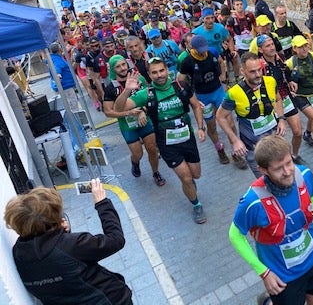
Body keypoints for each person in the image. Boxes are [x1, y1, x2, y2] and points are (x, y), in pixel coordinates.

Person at [229, 135, 313, 305]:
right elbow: (235, 235)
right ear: (263, 170)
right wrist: (263, 272)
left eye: (289, 163)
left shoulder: (304, 175)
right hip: (282, 276)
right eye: (279, 168)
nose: (287, 172)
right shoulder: (252, 202)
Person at [4, 179, 133, 305]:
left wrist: (58, 234)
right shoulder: (71, 245)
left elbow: (60, 265)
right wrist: (102, 203)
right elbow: (116, 240)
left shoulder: (19, 253)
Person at [114, 58, 209, 224]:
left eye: (161, 70)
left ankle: (190, 185)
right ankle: (196, 204)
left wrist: (200, 127)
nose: (159, 75)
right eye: (154, 72)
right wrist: (127, 90)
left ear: (167, 70)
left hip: (188, 139)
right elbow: (118, 108)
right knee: (186, 178)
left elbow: (195, 105)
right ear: (149, 75)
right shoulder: (146, 94)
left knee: (196, 175)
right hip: (167, 144)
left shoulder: (180, 86)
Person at [216, 52, 287, 177]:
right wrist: (235, 141)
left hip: (275, 140)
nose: (258, 74)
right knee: (266, 181)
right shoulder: (234, 93)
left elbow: (278, 99)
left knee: (284, 174)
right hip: (254, 148)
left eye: (259, 70)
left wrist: (281, 119)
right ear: (243, 71)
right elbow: (220, 116)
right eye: (253, 72)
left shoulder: (270, 81)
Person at [177, 35, 241, 168]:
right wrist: (191, 98)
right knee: (211, 126)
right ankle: (220, 149)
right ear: (192, 48)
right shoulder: (187, 61)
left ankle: (236, 150)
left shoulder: (211, 52)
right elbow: (180, 80)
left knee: (229, 122)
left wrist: (223, 80)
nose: (203, 52)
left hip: (218, 91)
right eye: (200, 50)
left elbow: (221, 62)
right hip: (202, 96)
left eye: (204, 48)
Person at [103, 55, 166, 186]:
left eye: (123, 64)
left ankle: (156, 173)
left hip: (144, 120)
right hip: (128, 126)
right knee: (138, 153)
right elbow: (108, 112)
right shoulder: (110, 88)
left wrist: (143, 110)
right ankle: (135, 162)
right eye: (118, 67)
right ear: (114, 70)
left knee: (152, 148)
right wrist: (128, 112)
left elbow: (150, 97)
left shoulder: (139, 79)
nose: (122, 68)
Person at [256, 34, 306, 164]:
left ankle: (294, 155)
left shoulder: (280, 57)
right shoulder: (260, 66)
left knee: (298, 132)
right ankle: (282, 160)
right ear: (261, 50)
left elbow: (287, 72)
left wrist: (291, 81)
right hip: (272, 104)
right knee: (277, 139)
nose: (272, 47)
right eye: (268, 46)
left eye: (272, 44)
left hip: (286, 98)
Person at [285, 35, 313, 161]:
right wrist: (289, 88)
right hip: (301, 96)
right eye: (301, 47)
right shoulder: (289, 63)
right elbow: (285, 78)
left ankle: (308, 134)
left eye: (305, 45)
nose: (304, 49)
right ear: (294, 48)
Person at [48, 42, 81, 112]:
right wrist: (58, 76)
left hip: (63, 86)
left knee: (68, 106)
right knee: (73, 107)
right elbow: (58, 68)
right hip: (65, 87)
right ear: (59, 49)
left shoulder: (54, 58)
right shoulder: (57, 60)